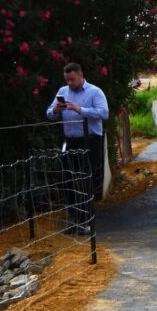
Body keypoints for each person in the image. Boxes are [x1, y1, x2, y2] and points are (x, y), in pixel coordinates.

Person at [46, 63, 109, 234]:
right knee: (68, 179)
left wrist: (80, 109)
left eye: (72, 79)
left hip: (90, 140)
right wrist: (56, 110)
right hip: (71, 140)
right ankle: (75, 218)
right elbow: (49, 114)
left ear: (81, 75)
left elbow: (104, 113)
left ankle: (87, 221)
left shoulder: (95, 92)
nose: (70, 83)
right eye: (67, 80)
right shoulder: (62, 92)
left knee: (86, 179)